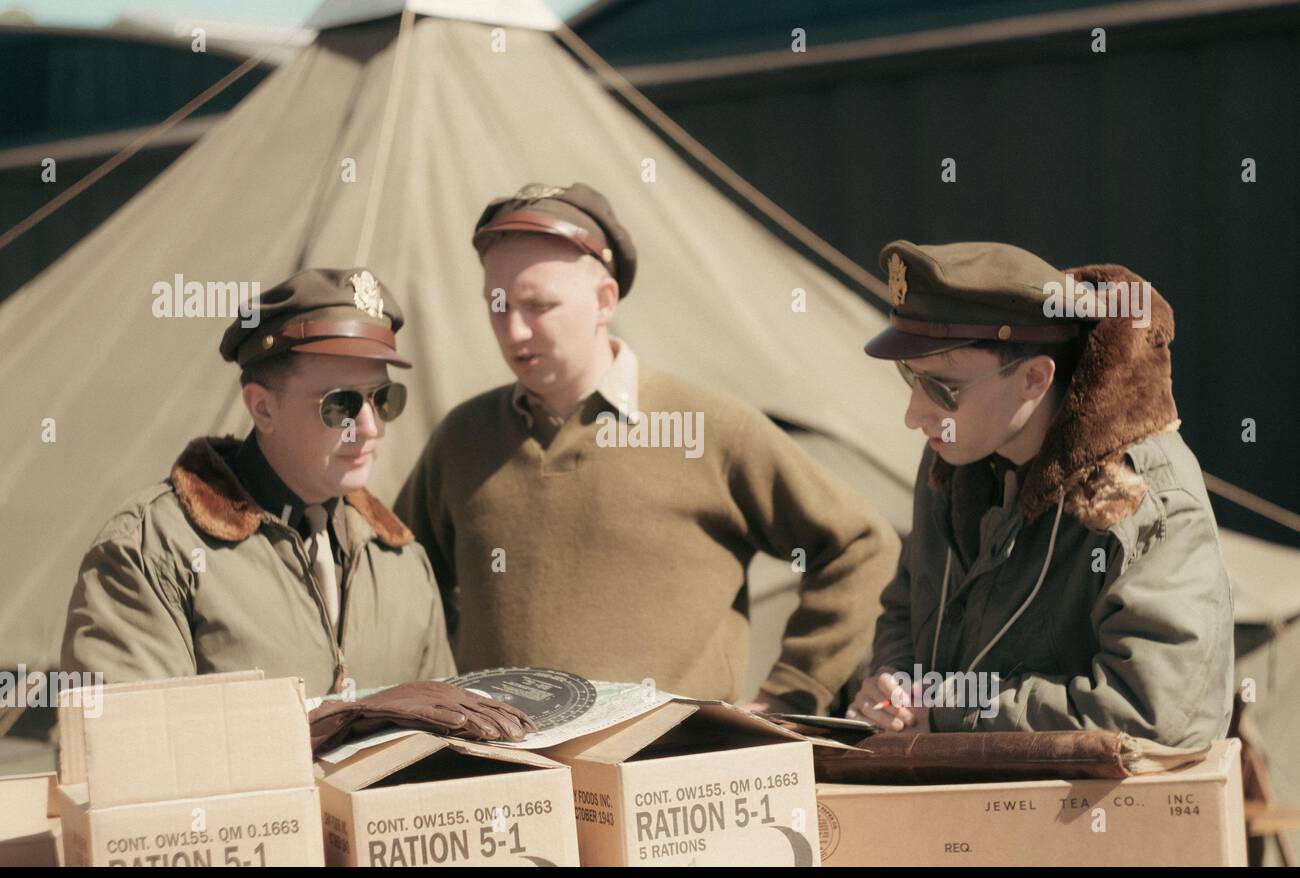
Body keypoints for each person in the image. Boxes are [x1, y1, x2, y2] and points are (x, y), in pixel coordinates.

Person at [395, 182, 899, 714]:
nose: (514, 329)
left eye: (538, 305)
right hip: (515, 778)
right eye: (498, 307)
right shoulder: (462, 439)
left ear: (604, 301)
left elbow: (861, 545)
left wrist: (792, 691)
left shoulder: (707, 426)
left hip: (676, 775)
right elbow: (401, 588)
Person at [847, 240, 1233, 748]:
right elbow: (908, 600)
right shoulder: (951, 456)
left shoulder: (1141, 495)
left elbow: (1156, 712)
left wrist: (953, 713)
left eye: (943, 388)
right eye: (909, 377)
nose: (914, 414)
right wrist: (893, 684)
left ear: (1034, 378)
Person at [62, 267, 455, 696]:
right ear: (263, 408)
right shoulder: (151, 552)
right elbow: (136, 748)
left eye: (383, 399)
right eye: (340, 404)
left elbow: (445, 742)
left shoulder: (400, 562)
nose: (369, 427)